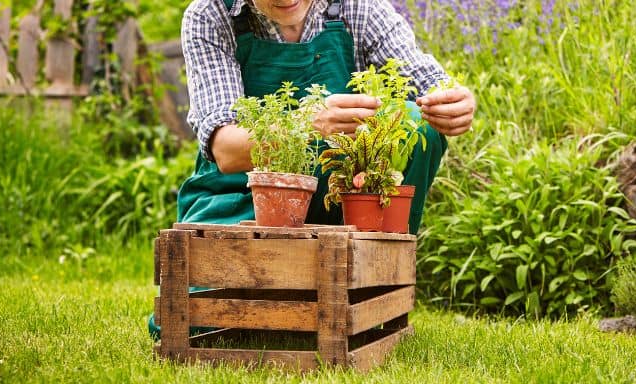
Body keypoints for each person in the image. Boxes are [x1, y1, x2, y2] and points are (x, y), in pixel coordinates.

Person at [148, 0, 474, 338]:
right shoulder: (211, 15)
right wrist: (307, 125)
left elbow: (431, 84)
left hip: (335, 200)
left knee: (418, 122)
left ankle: (373, 290)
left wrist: (453, 101)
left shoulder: (356, 7)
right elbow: (226, 149)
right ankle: (300, 296)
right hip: (241, 197)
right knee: (196, 320)